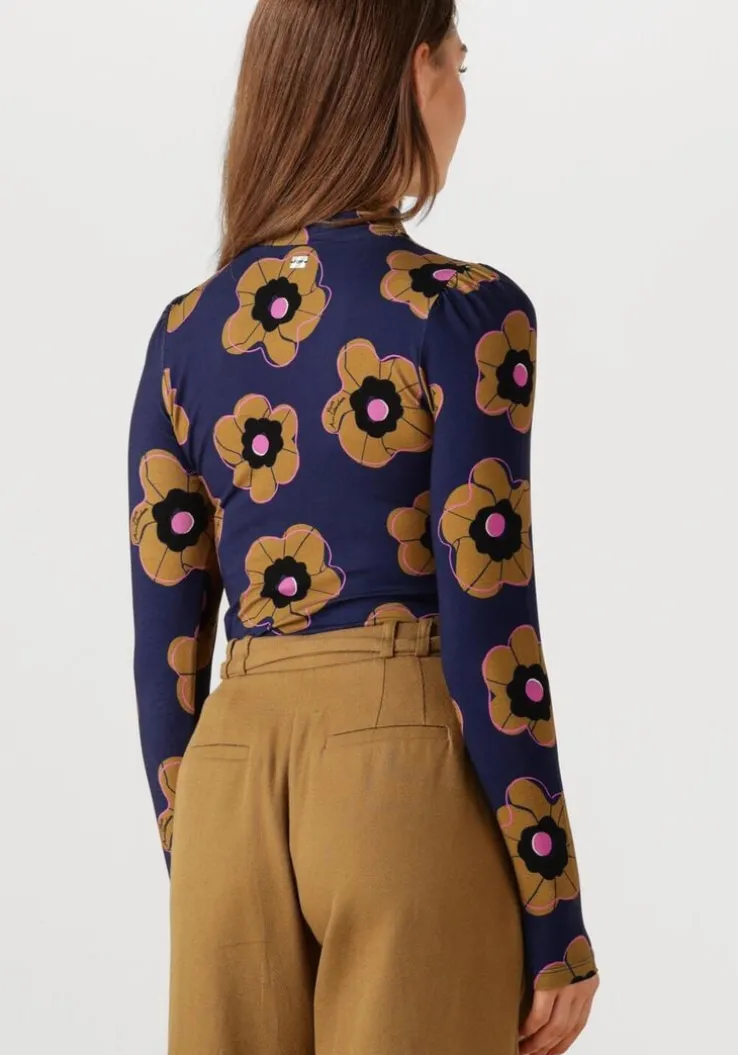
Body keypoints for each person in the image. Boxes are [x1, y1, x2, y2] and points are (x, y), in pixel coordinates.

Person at [127, 2, 600, 1052]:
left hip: (226, 782)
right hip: (398, 776)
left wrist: (202, 854)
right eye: (461, 64)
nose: (462, 94)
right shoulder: (465, 312)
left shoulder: (184, 336)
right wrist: (554, 906)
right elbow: (491, 622)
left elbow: (165, 654)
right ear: (414, 71)